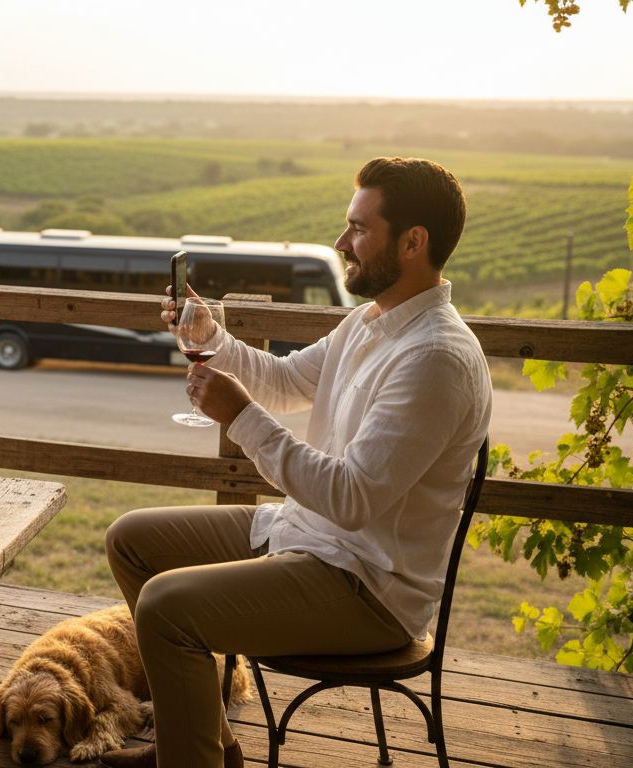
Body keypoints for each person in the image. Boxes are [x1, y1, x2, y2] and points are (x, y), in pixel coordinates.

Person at [99, 158, 492, 768]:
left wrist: (240, 415)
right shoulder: (371, 321)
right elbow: (284, 381)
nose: (341, 243)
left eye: (359, 228)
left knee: (165, 608)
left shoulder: (435, 358)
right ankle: (200, 747)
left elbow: (350, 499)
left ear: (413, 242)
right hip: (308, 536)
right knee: (131, 541)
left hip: (368, 587)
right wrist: (213, 338)